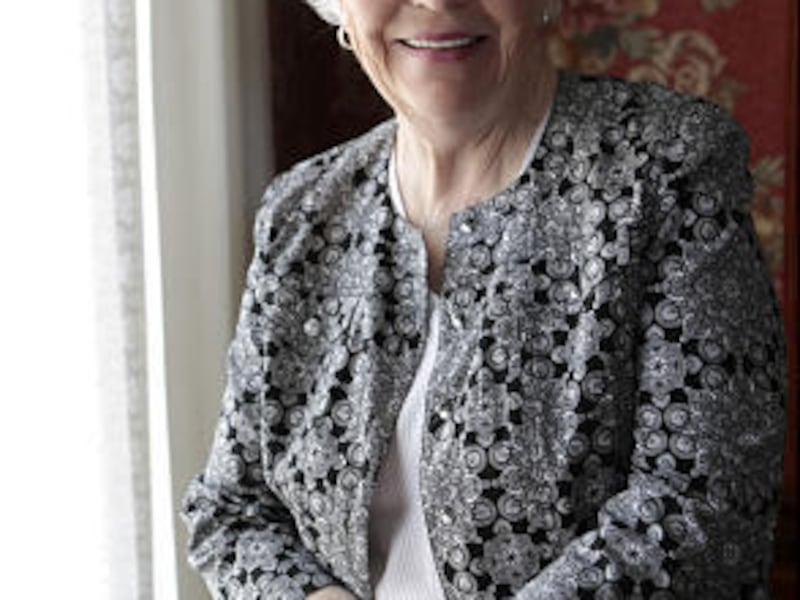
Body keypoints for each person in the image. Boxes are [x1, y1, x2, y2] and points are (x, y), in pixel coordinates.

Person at [181, 1, 787, 598]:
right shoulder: (303, 211)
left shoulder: (667, 170)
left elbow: (701, 509)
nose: (437, 1)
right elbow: (232, 511)